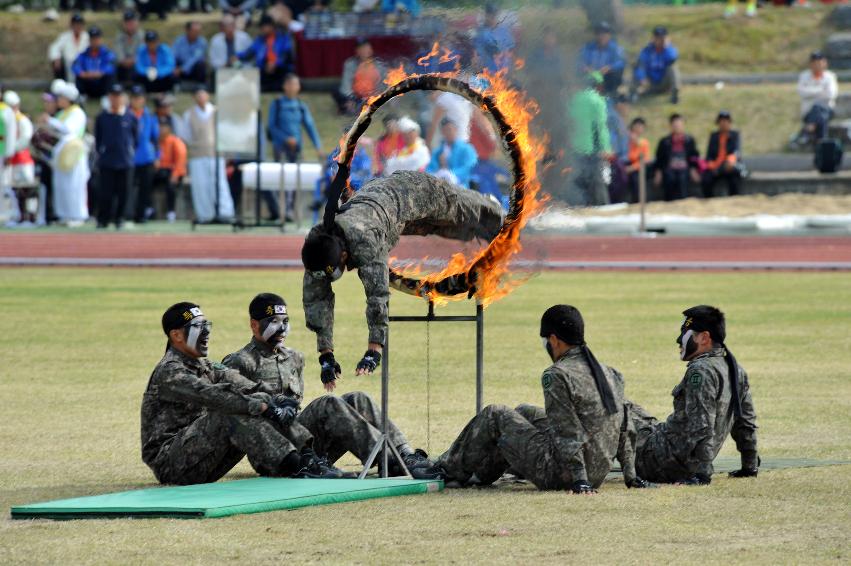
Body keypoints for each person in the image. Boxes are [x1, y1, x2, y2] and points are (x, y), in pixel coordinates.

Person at [300, 171, 503, 389]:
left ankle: (493, 210)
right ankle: (488, 220)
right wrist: (325, 356)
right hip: (389, 216)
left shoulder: (363, 239)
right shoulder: (317, 248)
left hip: (407, 190)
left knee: (453, 207)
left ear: (343, 256)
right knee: (444, 229)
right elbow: (316, 300)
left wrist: (374, 349)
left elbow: (377, 294)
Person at [222, 293, 442, 479]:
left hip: (303, 443)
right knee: (327, 403)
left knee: (358, 398)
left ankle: (405, 454)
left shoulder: (294, 358)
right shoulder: (240, 362)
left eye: (285, 321)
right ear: (253, 324)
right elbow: (238, 416)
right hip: (273, 454)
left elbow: (297, 411)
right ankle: (388, 459)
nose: (281, 328)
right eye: (273, 321)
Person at [437, 305, 652, 492]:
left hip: (563, 473)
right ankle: (480, 475)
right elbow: (625, 427)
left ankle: (446, 469)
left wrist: (579, 480)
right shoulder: (609, 373)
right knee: (524, 412)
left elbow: (566, 430)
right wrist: (630, 475)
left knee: (495, 415)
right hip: (597, 472)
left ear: (554, 340)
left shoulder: (558, 374)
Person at [141, 301, 349, 485]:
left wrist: (276, 400)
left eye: (206, 325)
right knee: (230, 410)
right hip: (171, 463)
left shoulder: (204, 365)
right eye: (197, 326)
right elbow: (212, 395)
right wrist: (264, 407)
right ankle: (297, 467)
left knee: (257, 399)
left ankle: (308, 459)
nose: (206, 332)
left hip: (201, 455)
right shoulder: (170, 371)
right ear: (176, 335)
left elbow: (242, 383)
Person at [626, 306, 759, 485]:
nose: (679, 340)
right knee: (637, 413)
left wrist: (702, 475)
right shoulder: (734, 369)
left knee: (616, 405)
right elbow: (745, 421)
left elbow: (701, 425)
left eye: (685, 333)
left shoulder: (701, 371)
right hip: (680, 456)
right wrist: (749, 466)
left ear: (704, 338)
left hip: (663, 462)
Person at [267, 73, 323, 220]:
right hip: (280, 148)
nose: (293, 87)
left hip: (296, 149)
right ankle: (280, 210)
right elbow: (272, 127)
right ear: (285, 86)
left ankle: (290, 211)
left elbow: (310, 126)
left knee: (294, 179)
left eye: (296, 84)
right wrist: (286, 138)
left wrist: (318, 146)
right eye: (291, 84)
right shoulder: (277, 104)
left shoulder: (300, 105)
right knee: (281, 178)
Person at [181, 87, 234, 222]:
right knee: (200, 185)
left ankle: (225, 212)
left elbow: (226, 134)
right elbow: (186, 136)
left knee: (220, 183)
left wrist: (227, 154)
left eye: (203, 95)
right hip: (197, 154)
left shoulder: (217, 112)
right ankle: (205, 215)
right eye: (198, 95)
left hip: (215, 154)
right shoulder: (189, 114)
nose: (201, 98)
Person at [44, 80, 89, 226]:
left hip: (74, 155)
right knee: (61, 185)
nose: (58, 100)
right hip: (60, 154)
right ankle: (64, 215)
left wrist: (50, 121)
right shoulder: (62, 113)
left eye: (61, 97)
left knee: (74, 185)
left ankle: (77, 215)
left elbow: (68, 130)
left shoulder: (77, 112)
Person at [94, 84, 137, 229]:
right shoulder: (102, 117)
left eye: (118, 96)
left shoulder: (130, 116)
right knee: (105, 192)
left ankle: (120, 218)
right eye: (113, 95)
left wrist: (129, 151)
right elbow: (98, 137)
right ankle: (103, 219)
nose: (115, 99)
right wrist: (103, 151)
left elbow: (135, 137)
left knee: (124, 192)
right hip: (107, 160)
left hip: (125, 160)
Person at [567, 72, 611, 206]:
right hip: (591, 147)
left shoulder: (573, 99)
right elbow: (600, 127)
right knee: (596, 180)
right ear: (597, 85)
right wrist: (606, 148)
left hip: (574, 147)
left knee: (579, 181)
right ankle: (602, 207)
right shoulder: (597, 100)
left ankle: (578, 207)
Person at [3, 92, 37, 225]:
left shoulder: (22, 120)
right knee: (10, 190)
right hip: (9, 161)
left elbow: (25, 139)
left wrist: (10, 149)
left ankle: (30, 216)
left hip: (22, 160)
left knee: (26, 189)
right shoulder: (5, 119)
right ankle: (14, 215)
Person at [239, 15, 294, 93]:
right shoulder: (260, 40)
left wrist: (275, 63)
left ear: (271, 26)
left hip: (280, 69)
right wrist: (237, 56)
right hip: (264, 70)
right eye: (261, 27)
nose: (262, 29)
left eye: (264, 27)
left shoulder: (283, 37)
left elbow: (286, 54)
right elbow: (249, 53)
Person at [794, 52, 838, 147]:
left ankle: (807, 131)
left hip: (827, 110)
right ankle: (821, 145)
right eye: (815, 63)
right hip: (808, 113)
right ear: (810, 64)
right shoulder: (804, 76)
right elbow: (801, 92)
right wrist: (821, 90)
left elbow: (831, 94)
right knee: (821, 117)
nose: (817, 65)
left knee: (818, 107)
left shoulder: (830, 76)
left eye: (820, 62)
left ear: (825, 63)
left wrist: (811, 92)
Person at [129, 86, 160, 223]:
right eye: (134, 98)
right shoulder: (126, 115)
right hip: (129, 158)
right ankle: (126, 213)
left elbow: (155, 139)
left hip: (146, 157)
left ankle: (141, 215)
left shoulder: (150, 117)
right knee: (127, 188)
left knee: (145, 188)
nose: (137, 101)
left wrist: (157, 156)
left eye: (139, 98)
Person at [653, 113, 699, 202]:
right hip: (669, 168)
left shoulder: (689, 140)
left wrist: (693, 169)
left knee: (682, 179)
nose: (677, 127)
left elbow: (694, 156)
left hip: (685, 168)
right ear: (671, 126)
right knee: (669, 178)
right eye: (675, 125)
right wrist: (658, 173)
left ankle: (683, 203)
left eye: (679, 125)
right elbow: (659, 159)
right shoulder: (664, 141)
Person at [334, 38, 385, 115]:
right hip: (355, 96)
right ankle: (348, 106)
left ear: (371, 50)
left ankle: (355, 108)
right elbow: (346, 84)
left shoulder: (379, 65)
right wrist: (349, 99)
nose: (364, 51)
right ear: (357, 52)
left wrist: (376, 95)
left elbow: (383, 84)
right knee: (336, 90)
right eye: (361, 49)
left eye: (366, 48)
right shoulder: (350, 64)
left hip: (372, 96)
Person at [632, 26, 681, 105]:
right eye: (657, 37)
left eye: (662, 38)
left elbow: (672, 58)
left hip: (664, 83)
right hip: (650, 82)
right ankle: (633, 94)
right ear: (653, 38)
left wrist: (666, 47)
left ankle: (674, 94)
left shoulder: (670, 49)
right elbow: (640, 65)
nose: (659, 40)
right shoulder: (647, 50)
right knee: (636, 67)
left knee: (672, 66)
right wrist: (642, 78)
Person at [426, 117, 478, 189]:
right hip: (439, 185)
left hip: (461, 185)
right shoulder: (438, 151)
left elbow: (470, 166)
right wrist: (438, 172)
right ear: (442, 132)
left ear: (456, 130)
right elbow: (430, 169)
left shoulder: (467, 149)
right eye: (445, 130)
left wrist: (452, 174)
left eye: (450, 129)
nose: (448, 132)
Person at [578, 22, 626, 97]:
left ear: (609, 35)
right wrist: (585, 67)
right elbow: (579, 61)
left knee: (615, 74)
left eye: (604, 34)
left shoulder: (615, 48)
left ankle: (610, 94)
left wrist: (610, 67)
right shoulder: (588, 48)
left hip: (607, 77)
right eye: (598, 34)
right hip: (591, 76)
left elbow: (621, 62)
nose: (601, 37)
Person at [702, 111, 742, 198]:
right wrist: (711, 164)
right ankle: (709, 200)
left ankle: (734, 199)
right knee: (706, 179)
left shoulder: (735, 135)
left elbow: (736, 151)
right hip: (716, 166)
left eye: (726, 121)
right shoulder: (714, 136)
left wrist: (731, 161)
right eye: (721, 121)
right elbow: (709, 155)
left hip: (728, 166)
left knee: (734, 178)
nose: (724, 123)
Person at [153, 118, 187, 223]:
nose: (161, 129)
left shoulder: (175, 141)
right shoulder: (156, 142)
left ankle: (171, 212)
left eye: (164, 127)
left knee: (170, 186)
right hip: (160, 171)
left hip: (173, 172)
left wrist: (175, 175)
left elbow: (180, 161)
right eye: (160, 127)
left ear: (169, 129)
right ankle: (148, 209)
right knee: (146, 182)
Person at [72, 26, 116, 100]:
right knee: (78, 77)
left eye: (97, 39)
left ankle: (106, 97)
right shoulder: (84, 54)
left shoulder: (106, 53)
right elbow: (75, 65)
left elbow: (111, 65)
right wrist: (83, 74)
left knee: (109, 76)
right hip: (88, 81)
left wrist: (101, 72)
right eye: (92, 39)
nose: (95, 41)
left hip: (100, 82)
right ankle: (82, 96)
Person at [473, 3, 515, 74]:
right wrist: (477, 64)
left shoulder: (504, 30)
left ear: (496, 15)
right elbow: (476, 52)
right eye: (488, 15)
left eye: (492, 15)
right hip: (486, 72)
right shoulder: (480, 32)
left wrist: (509, 65)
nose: (489, 18)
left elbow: (510, 48)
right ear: (485, 15)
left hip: (503, 72)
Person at [48, 13, 89, 82]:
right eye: (76, 24)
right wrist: (56, 58)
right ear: (72, 25)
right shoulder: (65, 36)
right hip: (68, 65)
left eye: (80, 24)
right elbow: (54, 48)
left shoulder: (87, 37)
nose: (78, 26)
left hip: (83, 66)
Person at [172, 21, 209, 87]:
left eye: (198, 31)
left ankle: (200, 86)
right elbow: (173, 55)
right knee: (173, 65)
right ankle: (175, 86)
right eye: (195, 31)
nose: (197, 33)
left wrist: (182, 69)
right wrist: (175, 68)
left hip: (193, 68)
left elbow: (195, 59)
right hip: (181, 67)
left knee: (201, 64)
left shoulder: (202, 42)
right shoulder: (179, 40)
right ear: (187, 30)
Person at [115, 10, 145, 85]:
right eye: (127, 22)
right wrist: (123, 61)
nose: (130, 25)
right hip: (122, 64)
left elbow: (142, 53)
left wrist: (133, 60)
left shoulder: (141, 35)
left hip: (136, 63)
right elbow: (118, 53)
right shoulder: (119, 36)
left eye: (132, 22)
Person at [625, 117, 651, 204]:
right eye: (636, 126)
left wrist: (632, 168)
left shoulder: (644, 143)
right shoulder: (625, 141)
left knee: (636, 178)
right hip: (625, 165)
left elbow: (645, 160)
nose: (638, 129)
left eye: (641, 127)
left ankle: (638, 202)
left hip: (637, 168)